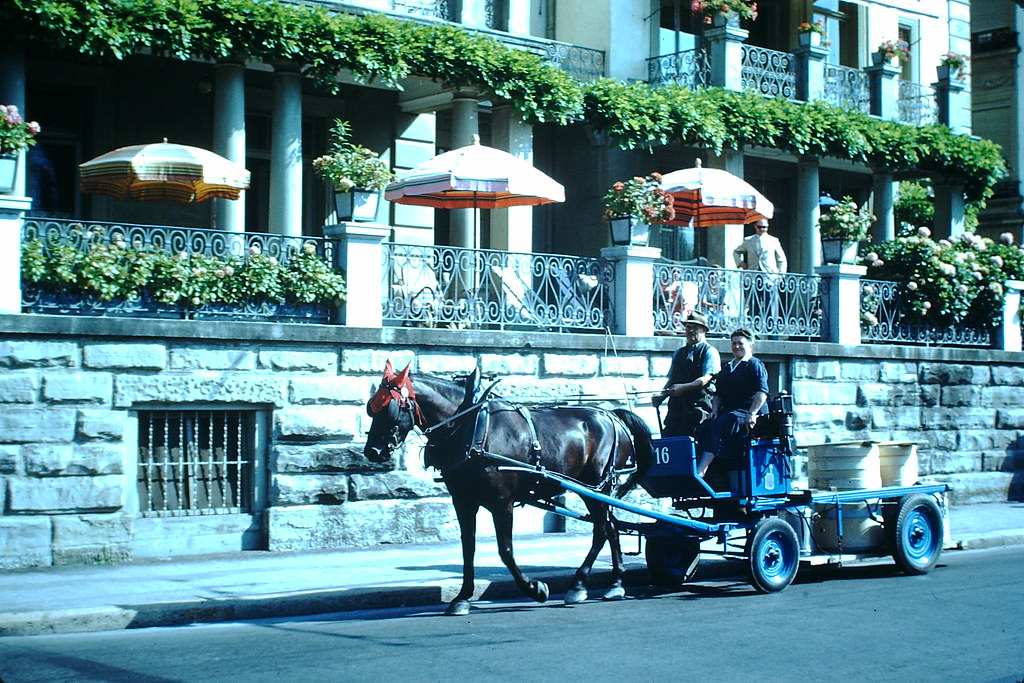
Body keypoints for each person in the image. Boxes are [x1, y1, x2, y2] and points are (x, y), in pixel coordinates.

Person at [695, 327, 768, 478]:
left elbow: (762, 392)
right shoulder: (727, 368)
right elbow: (718, 394)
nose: (736, 347)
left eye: (740, 343)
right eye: (734, 344)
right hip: (731, 412)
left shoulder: (754, 364)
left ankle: (702, 470)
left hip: (749, 413)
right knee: (703, 427)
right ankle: (714, 476)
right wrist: (714, 410)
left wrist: (752, 413)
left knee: (722, 424)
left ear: (749, 344)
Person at [652, 310, 721, 437]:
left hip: (698, 406)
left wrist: (682, 388)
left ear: (704, 330)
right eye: (688, 327)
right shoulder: (678, 353)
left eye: (695, 328)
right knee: (669, 438)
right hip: (676, 408)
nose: (690, 331)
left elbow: (705, 379)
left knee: (689, 439)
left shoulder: (709, 352)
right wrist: (661, 397)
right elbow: (672, 380)